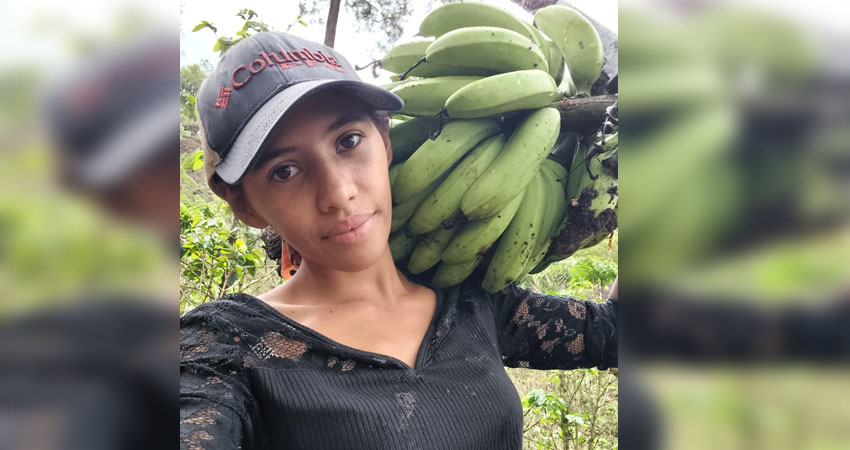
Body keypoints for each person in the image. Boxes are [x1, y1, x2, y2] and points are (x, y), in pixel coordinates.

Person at [180, 31, 618, 450]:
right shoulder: (225, 347)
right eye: (285, 171)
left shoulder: (469, 301)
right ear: (245, 206)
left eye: (348, 141)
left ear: (384, 141)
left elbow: (617, 332)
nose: (338, 193)